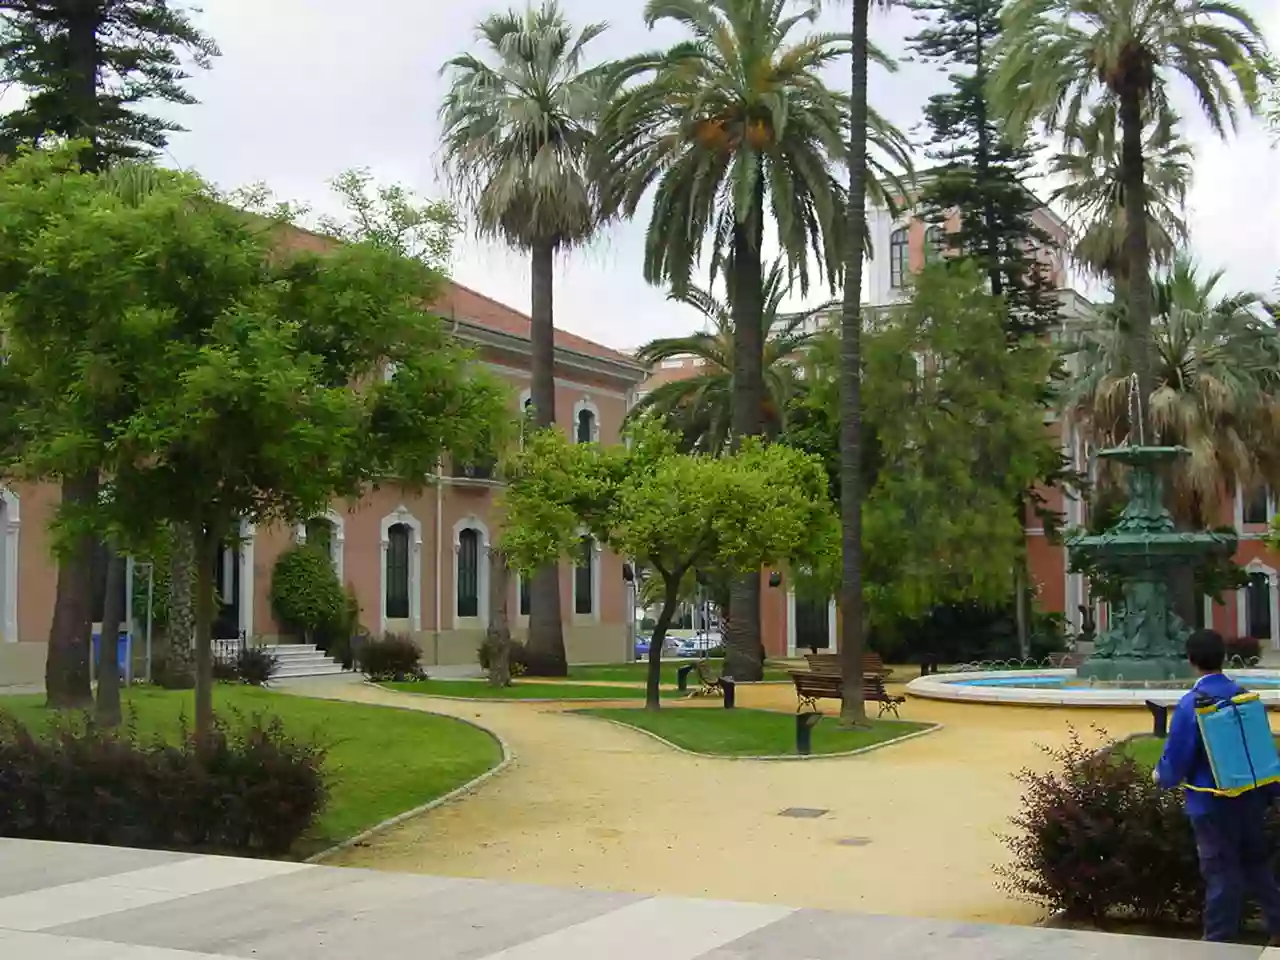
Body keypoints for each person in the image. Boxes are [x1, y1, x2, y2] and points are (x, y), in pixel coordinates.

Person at [1155, 628, 1280, 944]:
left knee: (1221, 874)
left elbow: (1176, 760)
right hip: (1251, 797)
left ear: (1190, 659)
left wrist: (1161, 777)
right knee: (1258, 868)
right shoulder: (1244, 696)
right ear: (1223, 657)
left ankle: (1218, 945)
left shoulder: (1192, 704)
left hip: (1211, 802)